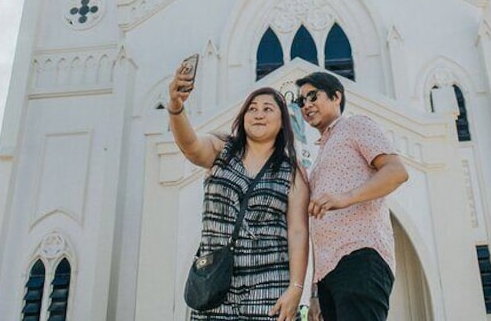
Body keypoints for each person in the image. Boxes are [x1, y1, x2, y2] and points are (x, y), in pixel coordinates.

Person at [168, 65, 310, 321]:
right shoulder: (221, 149)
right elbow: (190, 146)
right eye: (252, 109)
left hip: (270, 284)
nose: (258, 114)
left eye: (268, 109)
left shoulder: (291, 171)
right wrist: (176, 107)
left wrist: (296, 289)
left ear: (282, 122)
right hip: (215, 282)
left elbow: (298, 231)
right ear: (243, 118)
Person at [295, 71, 409, 321]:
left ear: (337, 96)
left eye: (312, 96)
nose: (306, 105)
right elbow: (316, 227)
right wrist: (315, 292)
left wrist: (345, 197)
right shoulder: (321, 156)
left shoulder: (355, 125)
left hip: (360, 257)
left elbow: (397, 171)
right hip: (328, 275)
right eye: (301, 101)